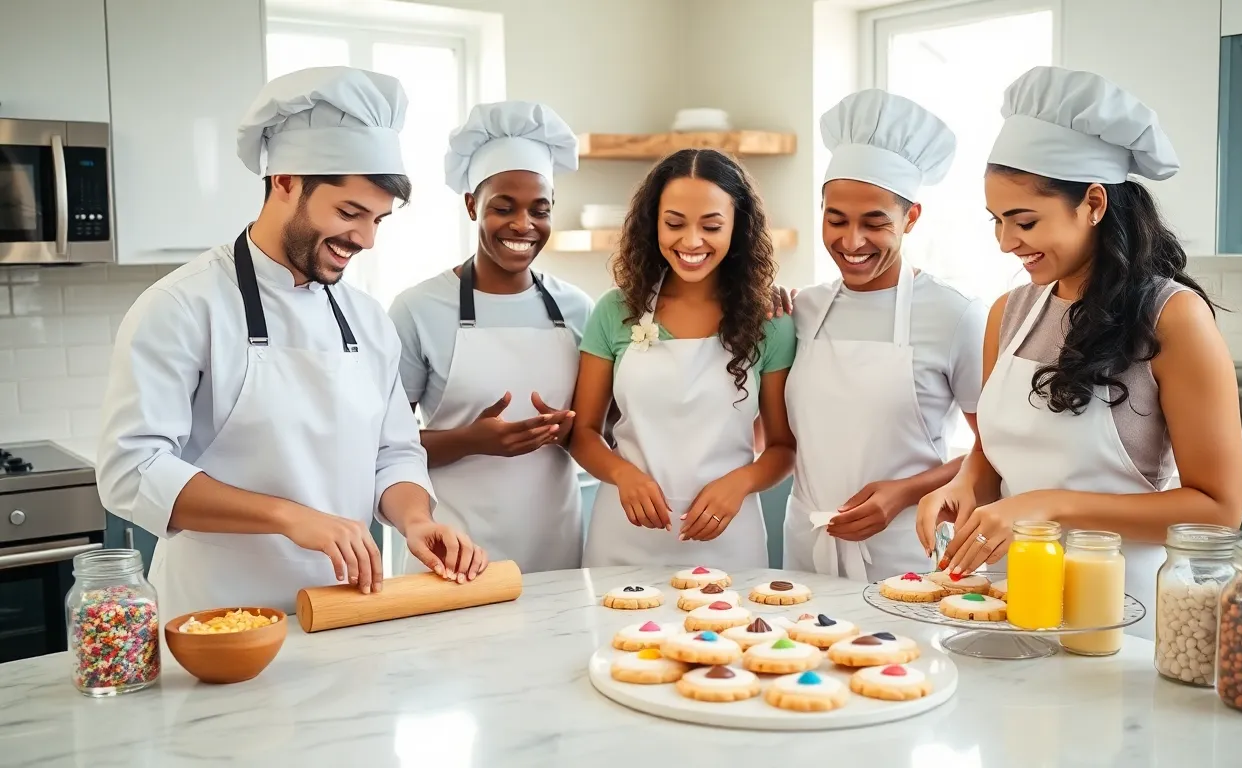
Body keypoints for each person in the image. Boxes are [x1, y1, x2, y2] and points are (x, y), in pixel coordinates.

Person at [96, 67, 488, 620]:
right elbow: (129, 471)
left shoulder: (367, 319)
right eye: (349, 213)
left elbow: (395, 453)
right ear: (284, 181)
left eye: (378, 219)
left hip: (345, 610)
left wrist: (417, 521)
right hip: (217, 617)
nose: (365, 240)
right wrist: (289, 516)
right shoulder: (183, 307)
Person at [917, 66, 1242, 638]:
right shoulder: (1010, 313)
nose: (1005, 242)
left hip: (1123, 612)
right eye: (996, 222)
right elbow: (994, 455)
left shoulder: (1173, 318)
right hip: (1011, 597)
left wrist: (1049, 506)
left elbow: (1217, 511)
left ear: (1092, 202)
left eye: (1024, 221)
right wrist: (964, 485)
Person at [783, 90, 987, 582]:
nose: (852, 242)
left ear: (911, 218)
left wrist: (904, 491)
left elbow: (996, 451)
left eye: (875, 223)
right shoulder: (802, 309)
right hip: (806, 547)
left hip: (904, 551)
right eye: (836, 220)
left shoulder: (954, 315)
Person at [389, 101, 593, 575]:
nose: (523, 225)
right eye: (503, 208)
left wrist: (570, 433)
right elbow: (383, 447)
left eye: (539, 211)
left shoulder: (578, 309)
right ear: (470, 206)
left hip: (554, 548)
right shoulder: (417, 310)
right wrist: (470, 440)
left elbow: (604, 430)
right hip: (450, 548)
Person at [574, 148, 797, 568]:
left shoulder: (771, 322)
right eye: (674, 223)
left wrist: (741, 482)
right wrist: (623, 474)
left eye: (711, 226)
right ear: (652, 223)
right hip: (624, 533)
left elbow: (783, 446)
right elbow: (583, 431)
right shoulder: (614, 310)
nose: (691, 241)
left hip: (728, 537)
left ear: (737, 228)